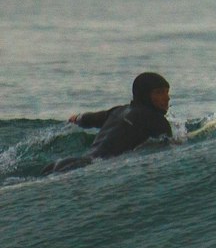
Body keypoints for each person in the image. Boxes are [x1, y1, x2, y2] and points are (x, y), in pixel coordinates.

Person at [43, 72, 173, 175]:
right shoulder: (157, 121)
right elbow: (166, 145)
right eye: (159, 92)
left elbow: (90, 119)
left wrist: (77, 118)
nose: (167, 98)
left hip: (69, 161)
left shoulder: (118, 110)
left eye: (167, 92)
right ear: (145, 95)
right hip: (92, 166)